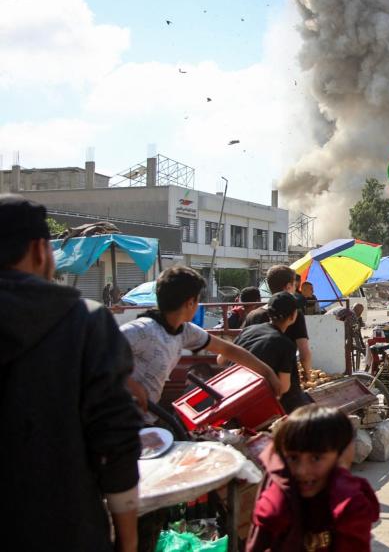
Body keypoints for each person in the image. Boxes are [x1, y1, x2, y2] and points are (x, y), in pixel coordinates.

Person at [1, 195, 143, 551]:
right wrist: (128, 539)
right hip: (64, 530)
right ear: (40, 249)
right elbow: (115, 440)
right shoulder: (85, 322)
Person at [124, 266, 281, 415]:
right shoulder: (142, 329)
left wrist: (268, 373)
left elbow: (228, 350)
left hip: (145, 419)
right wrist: (134, 387)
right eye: (198, 300)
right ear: (190, 302)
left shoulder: (185, 331)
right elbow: (100, 354)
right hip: (116, 419)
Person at [247, 405, 380, 551]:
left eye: (316, 458)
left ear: (341, 455)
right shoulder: (277, 501)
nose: (302, 471)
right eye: (293, 458)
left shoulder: (344, 499)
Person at [234, 292, 312, 413]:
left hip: (236, 391)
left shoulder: (248, 330)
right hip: (261, 400)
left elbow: (221, 359)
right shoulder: (286, 345)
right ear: (293, 316)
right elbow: (283, 388)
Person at [244, 265, 314, 375]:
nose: (296, 289)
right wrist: (308, 374)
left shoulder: (253, 315)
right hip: (284, 379)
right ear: (288, 287)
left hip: (255, 378)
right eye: (294, 286)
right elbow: (304, 354)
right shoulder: (293, 313)